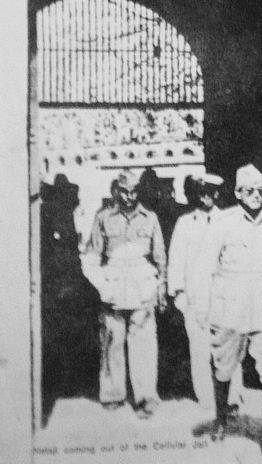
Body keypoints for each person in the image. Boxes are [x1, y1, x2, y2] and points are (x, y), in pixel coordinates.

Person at [194, 164, 262, 463]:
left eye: (260, 191)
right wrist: (202, 307)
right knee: (223, 366)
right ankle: (221, 421)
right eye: (249, 191)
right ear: (237, 193)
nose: (256, 196)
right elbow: (204, 268)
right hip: (230, 305)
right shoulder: (222, 223)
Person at [82, 169, 167, 419]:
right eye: (125, 192)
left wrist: (160, 286)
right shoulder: (103, 218)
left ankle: (145, 397)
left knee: (144, 343)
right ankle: (113, 394)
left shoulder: (150, 218)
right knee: (112, 340)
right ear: (116, 191)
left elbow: (160, 258)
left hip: (142, 285)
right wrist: (102, 285)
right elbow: (91, 257)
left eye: (134, 192)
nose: (130, 197)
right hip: (114, 286)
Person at [168, 173, 245, 411]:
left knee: (228, 347)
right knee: (200, 349)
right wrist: (178, 293)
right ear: (195, 193)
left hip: (225, 295)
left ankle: (232, 397)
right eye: (201, 191)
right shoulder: (185, 223)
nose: (206, 196)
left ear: (218, 193)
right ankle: (207, 398)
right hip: (196, 296)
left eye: (211, 191)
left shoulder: (231, 220)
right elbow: (176, 259)